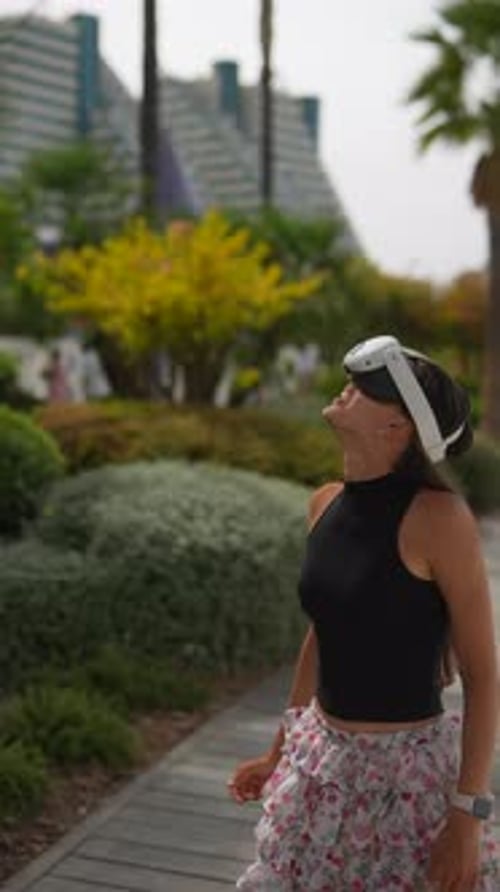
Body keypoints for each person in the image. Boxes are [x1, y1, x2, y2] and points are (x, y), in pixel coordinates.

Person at [228, 335, 500, 891]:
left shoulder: (440, 519)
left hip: (407, 786)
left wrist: (466, 816)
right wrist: (279, 751)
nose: (348, 387)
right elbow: (325, 635)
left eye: (369, 387)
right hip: (318, 770)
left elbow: (483, 675)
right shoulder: (324, 502)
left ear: (397, 429)